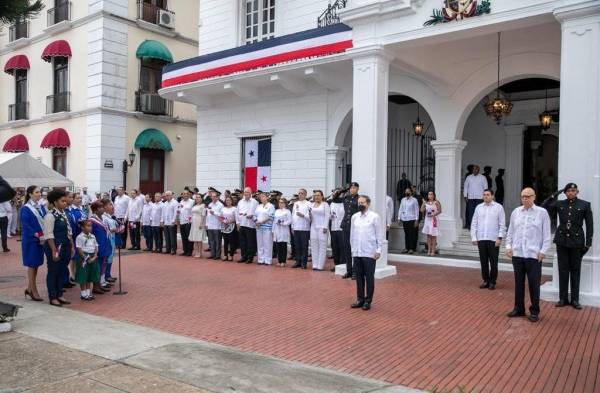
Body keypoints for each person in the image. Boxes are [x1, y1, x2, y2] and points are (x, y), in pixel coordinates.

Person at [543, 183, 593, 309]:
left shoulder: (585, 204)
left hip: (577, 242)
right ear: (565, 192)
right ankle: (563, 298)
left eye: (573, 190)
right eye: (568, 191)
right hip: (562, 241)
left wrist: (588, 243)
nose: (571, 192)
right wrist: (556, 193)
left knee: (575, 271)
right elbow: (544, 206)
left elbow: (590, 225)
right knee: (563, 270)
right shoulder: (560, 204)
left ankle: (575, 300)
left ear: (577, 192)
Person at [505, 187, 551, 322]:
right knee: (518, 283)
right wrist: (508, 246)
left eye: (528, 196)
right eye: (523, 196)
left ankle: (534, 311)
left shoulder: (542, 213)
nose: (525, 199)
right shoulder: (516, 212)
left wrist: (543, 251)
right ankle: (519, 308)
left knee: (533, 284)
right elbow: (511, 231)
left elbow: (546, 235)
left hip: (533, 255)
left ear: (534, 197)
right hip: (518, 254)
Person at [350, 195, 383, 311]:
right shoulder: (355, 217)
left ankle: (368, 301)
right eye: (359, 202)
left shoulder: (374, 217)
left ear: (368, 204)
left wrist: (379, 250)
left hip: (369, 252)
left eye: (362, 203)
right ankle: (360, 299)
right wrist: (353, 250)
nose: (360, 205)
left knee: (369, 278)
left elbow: (379, 235)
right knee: (358, 278)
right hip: (357, 252)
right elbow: (352, 235)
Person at [43, 189, 73, 307]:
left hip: (65, 245)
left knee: (62, 270)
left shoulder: (63, 214)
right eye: (62, 201)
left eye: (66, 201)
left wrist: (71, 246)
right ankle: (53, 296)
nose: (65, 203)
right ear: (55, 202)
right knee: (53, 271)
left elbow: (68, 231)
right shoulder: (50, 216)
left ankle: (60, 294)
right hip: (55, 246)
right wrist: (54, 250)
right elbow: (49, 234)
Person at [471, 189, 506, 289]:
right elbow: (474, 223)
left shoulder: (498, 208)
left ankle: (492, 282)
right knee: (483, 261)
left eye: (488, 195)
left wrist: (499, 238)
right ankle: (486, 280)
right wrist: (474, 237)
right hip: (481, 238)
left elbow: (502, 224)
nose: (486, 196)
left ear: (492, 196)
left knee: (493, 262)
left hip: (493, 239)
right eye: (484, 195)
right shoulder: (478, 208)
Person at [21, 186, 46, 301]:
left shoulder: (40, 207)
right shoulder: (26, 208)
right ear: (30, 194)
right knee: (32, 264)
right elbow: (26, 225)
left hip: (40, 239)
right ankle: (33, 291)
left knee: (36, 264)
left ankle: (29, 288)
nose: (39, 194)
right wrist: (36, 234)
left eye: (40, 192)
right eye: (36, 192)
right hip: (31, 240)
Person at [89, 201, 112, 295]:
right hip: (98, 246)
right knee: (97, 267)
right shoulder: (92, 220)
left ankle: (99, 285)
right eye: (101, 207)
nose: (103, 208)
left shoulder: (101, 218)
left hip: (104, 245)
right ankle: (95, 286)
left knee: (102, 265)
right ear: (96, 209)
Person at [75, 220, 99, 301]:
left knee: (89, 275)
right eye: (88, 226)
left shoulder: (93, 236)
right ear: (82, 227)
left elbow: (96, 246)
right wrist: (86, 258)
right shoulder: (79, 237)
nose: (90, 228)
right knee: (83, 275)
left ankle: (88, 293)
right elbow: (79, 249)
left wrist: (95, 255)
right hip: (84, 258)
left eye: (91, 226)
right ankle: (83, 294)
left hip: (92, 256)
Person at [341, 182, 360, 278]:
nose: (352, 189)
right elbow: (335, 199)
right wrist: (343, 190)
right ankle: (349, 270)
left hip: (355, 227)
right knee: (347, 249)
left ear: (357, 189)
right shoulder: (346, 198)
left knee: (355, 249)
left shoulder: (359, 199)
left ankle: (355, 272)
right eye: (351, 188)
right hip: (345, 226)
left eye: (354, 188)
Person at [237, 187, 258, 263]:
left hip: (250, 225)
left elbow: (257, 213)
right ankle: (244, 256)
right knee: (243, 242)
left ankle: (250, 257)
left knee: (250, 242)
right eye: (245, 192)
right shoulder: (240, 202)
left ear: (251, 193)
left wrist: (252, 215)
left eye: (248, 192)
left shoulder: (254, 202)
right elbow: (237, 213)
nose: (246, 194)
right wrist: (237, 223)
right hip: (242, 224)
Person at [310, 190, 330, 271]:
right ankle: (315, 264)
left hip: (322, 227)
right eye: (315, 195)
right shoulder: (311, 205)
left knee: (322, 246)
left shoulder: (325, 204)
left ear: (322, 196)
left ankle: (320, 265)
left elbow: (327, 216)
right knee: (314, 245)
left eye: (318, 195)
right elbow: (310, 216)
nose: (316, 197)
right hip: (313, 227)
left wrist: (325, 227)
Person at [463, 165, 488, 230]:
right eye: (473, 169)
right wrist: (465, 196)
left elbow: (485, 188)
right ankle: (471, 226)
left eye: (476, 169)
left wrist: (485, 197)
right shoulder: (468, 177)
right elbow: (465, 187)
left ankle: (479, 227)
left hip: (480, 198)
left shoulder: (483, 178)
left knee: (479, 212)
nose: (474, 170)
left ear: (478, 170)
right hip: (470, 198)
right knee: (470, 212)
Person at [255, 192, 275, 265]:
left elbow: (271, 217)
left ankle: (267, 260)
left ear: (267, 197)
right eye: (260, 197)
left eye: (263, 196)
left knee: (267, 244)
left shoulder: (271, 206)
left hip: (267, 227)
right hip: (259, 227)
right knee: (260, 244)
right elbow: (255, 215)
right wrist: (256, 222)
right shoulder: (258, 206)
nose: (262, 198)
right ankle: (261, 259)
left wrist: (262, 222)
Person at [398, 188, 419, 254]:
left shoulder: (414, 200)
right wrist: (399, 218)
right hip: (405, 219)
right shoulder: (403, 200)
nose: (407, 193)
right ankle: (406, 247)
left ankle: (411, 248)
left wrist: (416, 219)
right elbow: (400, 209)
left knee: (411, 234)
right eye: (406, 192)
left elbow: (416, 210)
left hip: (412, 219)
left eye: (408, 192)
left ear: (411, 192)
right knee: (406, 234)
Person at [421, 191, 442, 256]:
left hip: (434, 220)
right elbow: (421, 210)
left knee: (434, 235)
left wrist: (434, 214)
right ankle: (429, 250)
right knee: (428, 236)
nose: (430, 195)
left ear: (434, 195)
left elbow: (440, 210)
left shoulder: (436, 202)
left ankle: (433, 250)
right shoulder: (426, 203)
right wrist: (423, 203)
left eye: (431, 194)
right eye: (429, 194)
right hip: (427, 220)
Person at [273, 197, 292, 267]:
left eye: (282, 203)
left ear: (285, 204)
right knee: (278, 246)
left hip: (284, 230)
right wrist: (273, 230)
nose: (280, 204)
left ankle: (283, 261)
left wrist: (283, 223)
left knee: (283, 246)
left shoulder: (287, 211)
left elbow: (290, 221)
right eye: (279, 203)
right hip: (277, 230)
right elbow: (274, 221)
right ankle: (279, 260)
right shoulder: (276, 211)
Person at [329, 190, 345, 271]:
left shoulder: (345, 203)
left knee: (342, 247)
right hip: (333, 228)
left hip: (342, 229)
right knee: (335, 247)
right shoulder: (331, 203)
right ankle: (336, 264)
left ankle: (342, 264)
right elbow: (329, 215)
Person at [206, 191, 224, 260]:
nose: (213, 198)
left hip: (217, 226)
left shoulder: (220, 205)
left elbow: (222, 215)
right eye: (211, 196)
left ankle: (217, 255)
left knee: (217, 241)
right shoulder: (210, 204)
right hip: (210, 226)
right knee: (211, 241)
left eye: (214, 196)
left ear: (217, 197)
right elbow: (208, 215)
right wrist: (207, 224)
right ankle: (212, 254)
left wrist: (215, 213)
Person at [220, 196, 238, 261]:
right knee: (225, 242)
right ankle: (225, 255)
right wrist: (223, 221)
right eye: (227, 200)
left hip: (232, 226)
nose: (228, 201)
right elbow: (221, 217)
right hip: (224, 226)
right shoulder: (223, 209)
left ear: (231, 201)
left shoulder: (234, 209)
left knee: (231, 242)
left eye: (229, 200)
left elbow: (236, 218)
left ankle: (231, 255)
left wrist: (230, 221)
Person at [189, 193, 207, 258]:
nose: (197, 198)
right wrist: (190, 220)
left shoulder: (203, 205)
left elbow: (203, 215)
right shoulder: (194, 206)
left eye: (199, 197)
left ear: (201, 199)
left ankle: (200, 252)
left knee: (199, 238)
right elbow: (191, 214)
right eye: (196, 197)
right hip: (194, 222)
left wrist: (202, 223)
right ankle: (196, 251)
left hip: (199, 222)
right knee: (195, 238)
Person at [178, 190, 195, 256]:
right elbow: (179, 211)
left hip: (188, 222)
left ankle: (189, 251)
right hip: (182, 221)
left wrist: (191, 219)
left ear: (189, 195)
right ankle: (185, 250)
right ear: (182, 195)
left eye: (186, 194)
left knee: (189, 237)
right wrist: (178, 219)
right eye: (184, 194)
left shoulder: (192, 202)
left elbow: (193, 212)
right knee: (183, 237)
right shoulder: (181, 202)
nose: (185, 195)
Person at [162, 191, 179, 255]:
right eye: (166, 195)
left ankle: (173, 249)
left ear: (171, 195)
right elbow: (163, 213)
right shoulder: (165, 203)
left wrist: (173, 221)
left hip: (172, 222)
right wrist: (162, 220)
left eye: (168, 195)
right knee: (167, 237)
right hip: (166, 222)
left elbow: (175, 212)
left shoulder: (175, 203)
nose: (167, 196)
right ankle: (168, 249)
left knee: (172, 237)